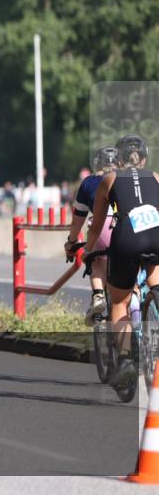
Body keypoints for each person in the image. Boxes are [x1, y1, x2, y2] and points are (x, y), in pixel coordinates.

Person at [85, 135, 159, 388]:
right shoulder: (156, 177)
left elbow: (96, 225)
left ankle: (126, 359)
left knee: (119, 301)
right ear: (144, 159)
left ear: (118, 159)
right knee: (156, 281)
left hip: (127, 237)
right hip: (156, 233)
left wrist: (88, 249)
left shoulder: (110, 179)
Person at [64, 146, 118, 325]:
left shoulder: (88, 182)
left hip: (101, 228)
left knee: (95, 258)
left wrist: (71, 242)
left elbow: (77, 221)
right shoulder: (128, 178)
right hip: (129, 226)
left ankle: (98, 295)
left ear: (97, 163)